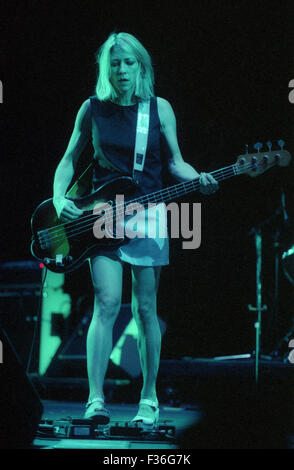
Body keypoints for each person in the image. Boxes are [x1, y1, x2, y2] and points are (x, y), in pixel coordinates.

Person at [52, 32, 219, 428]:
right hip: (103, 215)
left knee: (146, 309)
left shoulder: (158, 109)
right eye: (115, 63)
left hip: (150, 213)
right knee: (106, 301)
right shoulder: (92, 109)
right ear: (105, 68)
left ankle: (149, 396)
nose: (122, 70)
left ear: (140, 67)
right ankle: (95, 398)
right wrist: (60, 200)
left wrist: (201, 178)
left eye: (129, 63)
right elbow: (67, 161)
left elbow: (176, 163)